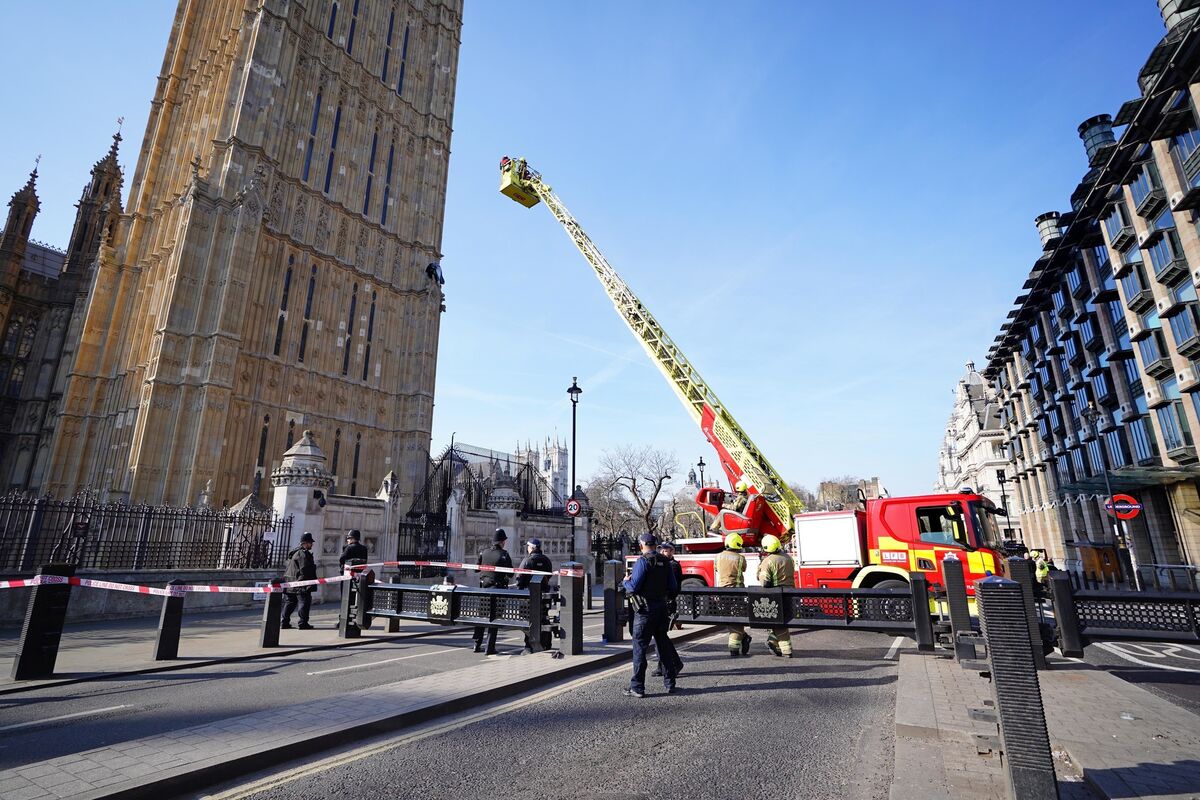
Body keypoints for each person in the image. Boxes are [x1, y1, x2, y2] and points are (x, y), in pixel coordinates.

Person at [622, 533, 680, 697]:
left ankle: (638, 687)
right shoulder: (666, 562)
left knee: (639, 648)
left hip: (645, 611)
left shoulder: (643, 561)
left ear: (641, 545)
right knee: (663, 646)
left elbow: (633, 586)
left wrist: (626, 580)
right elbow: (674, 588)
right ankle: (670, 683)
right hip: (661, 609)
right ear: (656, 545)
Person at [473, 529, 512, 655]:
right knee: (494, 619)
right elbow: (511, 573)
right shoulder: (504, 554)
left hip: (484, 589)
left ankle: (476, 644)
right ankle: (489, 648)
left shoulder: (484, 552)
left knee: (482, 617)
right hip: (498, 590)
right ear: (502, 541)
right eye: (504, 540)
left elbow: (476, 569)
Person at [651, 541, 686, 678]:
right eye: (662, 550)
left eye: (666, 550)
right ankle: (664, 665)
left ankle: (673, 663)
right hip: (663, 602)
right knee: (660, 636)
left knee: (661, 636)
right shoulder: (665, 564)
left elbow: (671, 587)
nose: (663, 552)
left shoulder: (672, 566)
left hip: (667, 604)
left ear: (672, 552)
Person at [757, 534, 795, 658]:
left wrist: (760, 570)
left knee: (777, 623)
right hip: (791, 595)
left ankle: (786, 650)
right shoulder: (788, 558)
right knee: (781, 622)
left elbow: (765, 583)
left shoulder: (768, 561)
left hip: (777, 596)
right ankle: (773, 641)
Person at [516, 538, 553, 653]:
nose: (527, 549)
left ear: (531, 548)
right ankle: (546, 643)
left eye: (528, 547)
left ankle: (528, 645)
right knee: (544, 618)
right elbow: (549, 575)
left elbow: (520, 578)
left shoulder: (527, 561)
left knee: (530, 620)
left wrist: (520, 586)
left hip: (530, 596)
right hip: (544, 595)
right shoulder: (546, 560)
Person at [717, 532, 750, 657]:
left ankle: (742, 639)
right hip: (737, 593)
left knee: (729, 618)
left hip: (722, 593)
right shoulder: (741, 558)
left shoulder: (718, 556)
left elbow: (717, 569)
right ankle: (737, 644)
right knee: (738, 617)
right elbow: (744, 569)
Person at [281, 532, 317, 630]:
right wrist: (305, 584)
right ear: (305, 543)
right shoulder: (303, 554)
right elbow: (304, 569)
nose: (312, 544)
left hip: (290, 582)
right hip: (300, 583)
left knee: (290, 603)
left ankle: (284, 622)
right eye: (310, 543)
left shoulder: (295, 552)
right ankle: (303, 623)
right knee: (304, 603)